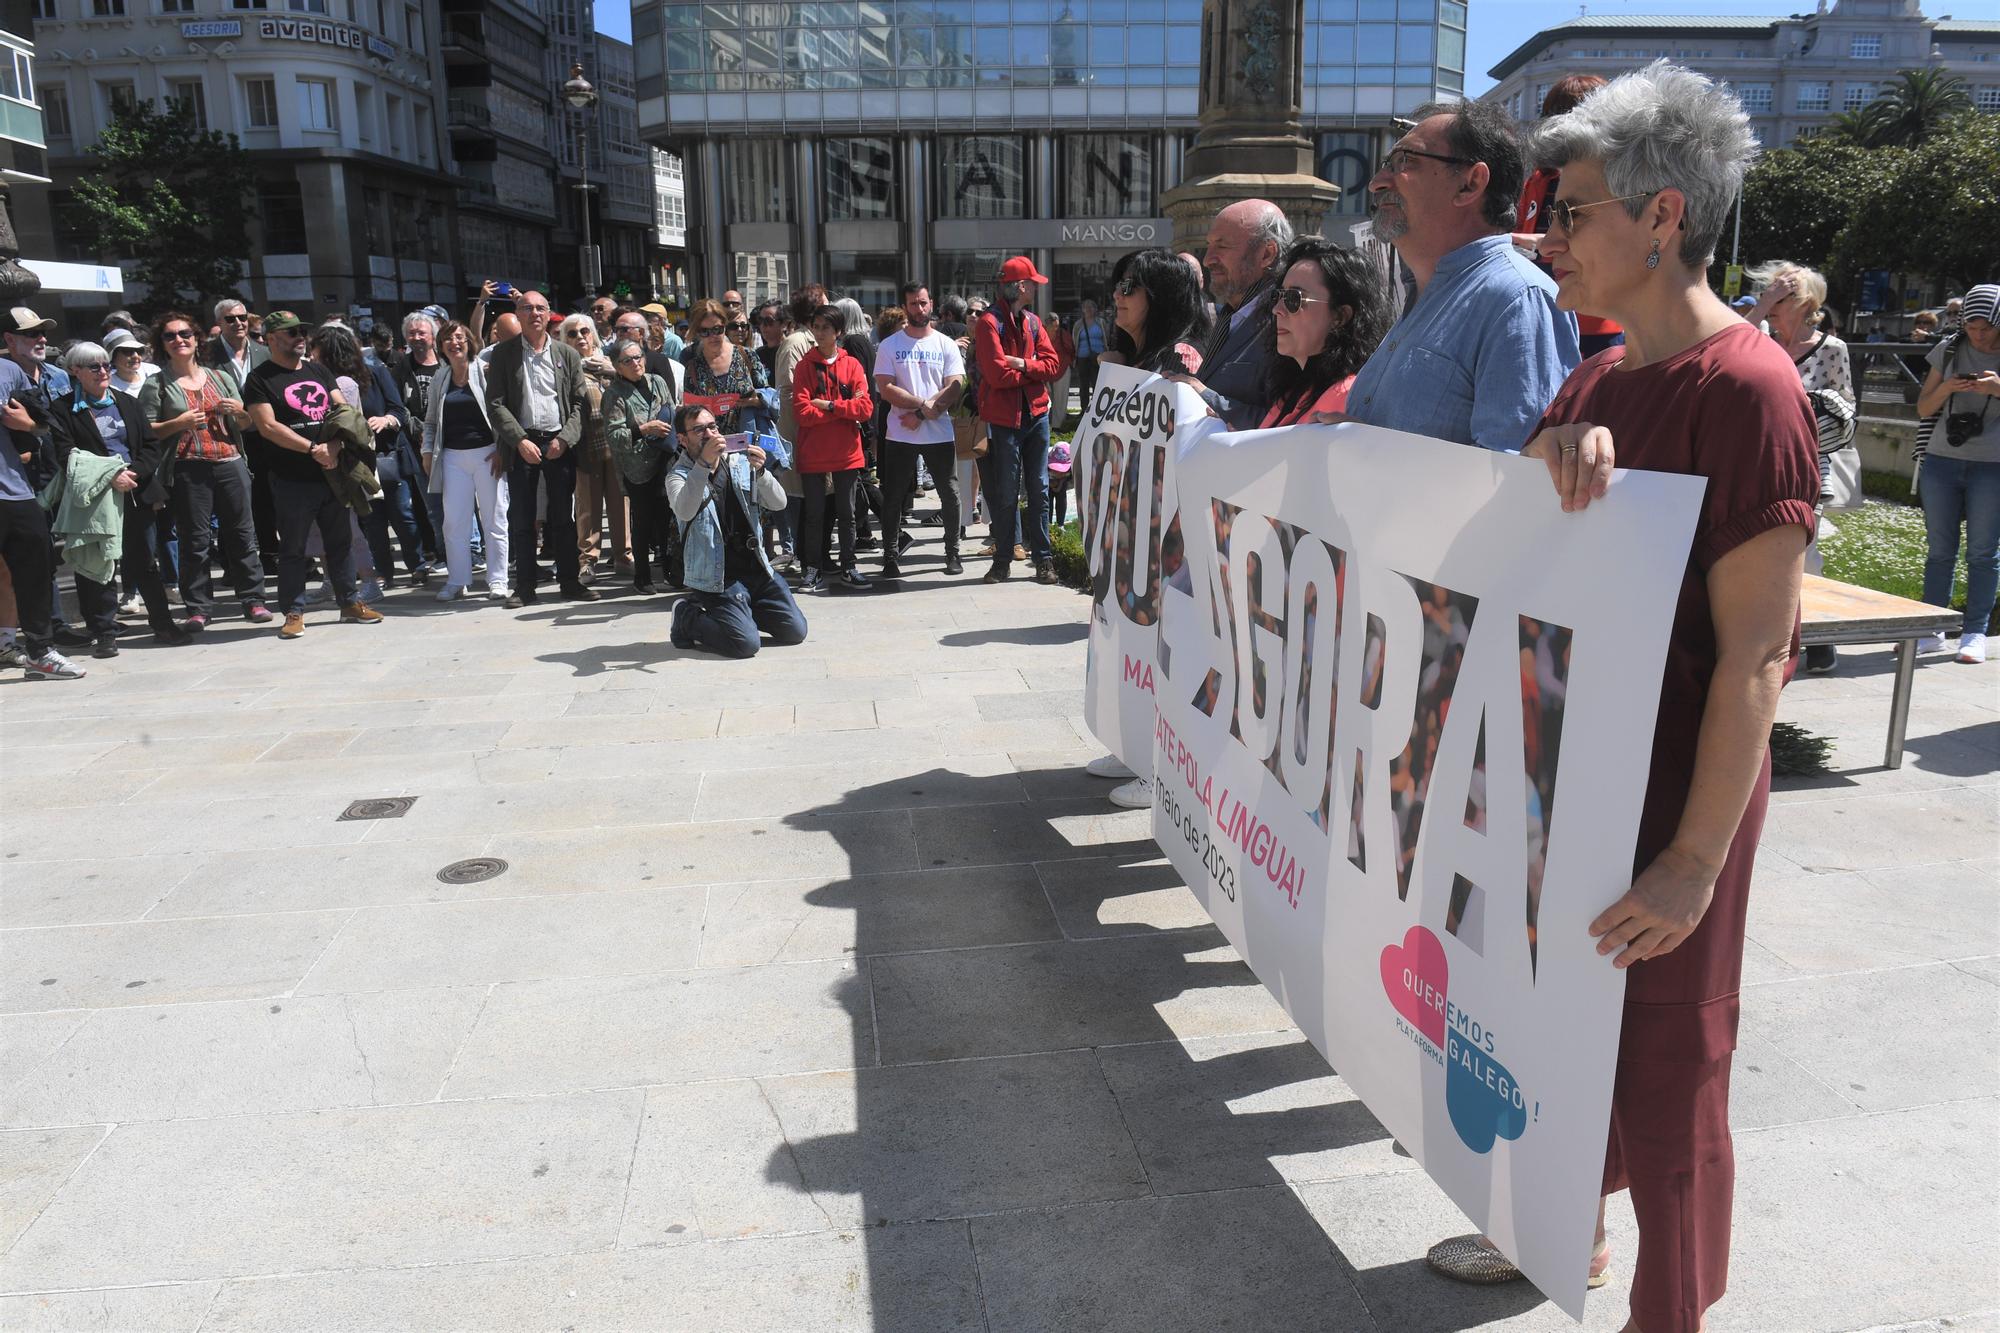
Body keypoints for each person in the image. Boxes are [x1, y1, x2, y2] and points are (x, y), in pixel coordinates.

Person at [1421, 66, 1820, 1333]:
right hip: (1581, 775)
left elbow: (1756, 656)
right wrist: (1552, 449)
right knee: (1571, 1032)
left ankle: (1672, 1311)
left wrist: (1694, 863)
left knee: (1669, 1065)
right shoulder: (1596, 378)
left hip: (1675, 796)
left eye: (1572, 210)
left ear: (1658, 218)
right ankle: (1564, 1231)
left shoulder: (1747, 389)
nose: (1547, 236)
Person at [1339, 99, 1581, 451]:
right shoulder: (1424, 295)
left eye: (1404, 162)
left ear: (1470, 184)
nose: (1377, 182)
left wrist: (1371, 458)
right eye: (1384, 165)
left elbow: (1513, 485)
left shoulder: (1518, 299)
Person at [241, 311, 382, 637]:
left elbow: (341, 411)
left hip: (331, 473)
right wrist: (311, 448)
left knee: (341, 543)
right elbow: (267, 426)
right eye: (290, 333)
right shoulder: (260, 379)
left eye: (302, 330)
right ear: (271, 339)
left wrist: (332, 445)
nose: (299, 337)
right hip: (291, 479)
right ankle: (294, 611)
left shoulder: (319, 370)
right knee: (293, 548)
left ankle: (349, 603)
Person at [1746, 261, 1853, 674]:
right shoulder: (1758, 339)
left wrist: (1815, 406)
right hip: (1756, 459)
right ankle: (1767, 636)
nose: (1770, 303)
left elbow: (1848, 406)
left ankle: (1815, 638)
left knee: (1804, 556)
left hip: (1807, 465)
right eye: (1767, 295)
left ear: (1805, 302)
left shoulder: (1832, 349)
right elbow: (1726, 338)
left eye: (1780, 296)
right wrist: (1763, 305)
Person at [49, 343, 186, 656]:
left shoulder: (127, 402)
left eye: (104, 365)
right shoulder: (63, 408)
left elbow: (150, 446)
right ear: (75, 372)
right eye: (92, 366)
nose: (102, 371)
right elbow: (66, 453)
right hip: (95, 499)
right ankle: (105, 632)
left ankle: (163, 624)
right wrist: (109, 476)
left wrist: (132, 474)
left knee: (144, 563)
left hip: (135, 492)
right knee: (97, 565)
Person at [140, 310, 271, 631]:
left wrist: (239, 412)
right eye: (170, 336)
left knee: (243, 535)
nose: (178, 340)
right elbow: (146, 430)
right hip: (188, 469)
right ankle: (198, 608)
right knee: (194, 540)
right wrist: (178, 423)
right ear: (163, 345)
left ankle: (253, 600)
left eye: (185, 334)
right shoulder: (157, 383)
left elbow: (246, 423)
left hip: (230, 463)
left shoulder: (220, 378)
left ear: (197, 339)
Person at [664, 403, 808, 657]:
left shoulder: (739, 462)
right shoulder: (678, 476)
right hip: (717, 576)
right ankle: (687, 617)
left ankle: (742, 614)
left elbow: (779, 503)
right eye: (699, 430)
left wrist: (762, 472)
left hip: (757, 567)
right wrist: (703, 465)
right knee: (745, 645)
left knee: (795, 631)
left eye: (712, 426)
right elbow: (685, 510)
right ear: (682, 439)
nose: (709, 434)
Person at [486, 288, 597, 606]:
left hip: (559, 443)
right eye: (527, 308)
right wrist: (518, 440)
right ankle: (525, 588)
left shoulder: (567, 354)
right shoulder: (503, 354)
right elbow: (495, 404)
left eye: (540, 308)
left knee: (563, 518)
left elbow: (579, 403)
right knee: (522, 519)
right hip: (522, 442)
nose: (534, 313)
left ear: (549, 315)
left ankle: (570, 583)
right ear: (517, 315)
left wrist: (565, 438)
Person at [1912, 282, 2000, 664]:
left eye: (1986, 327)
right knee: (1939, 550)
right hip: (1941, 460)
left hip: (1993, 465)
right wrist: (1948, 386)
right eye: (1971, 326)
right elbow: (1923, 408)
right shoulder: (1948, 349)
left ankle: (1975, 632)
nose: (1977, 335)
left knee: (1983, 552)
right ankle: (1932, 629)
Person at [1512, 76, 1625, 361]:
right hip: (1540, 311)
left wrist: (1528, 242)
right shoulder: (1537, 180)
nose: (1556, 124)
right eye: (1551, 115)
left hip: (1593, 321)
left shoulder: (1611, 178)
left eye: (1567, 113)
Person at [314, 324, 424, 601]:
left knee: (402, 514)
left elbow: (398, 409)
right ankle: (382, 575)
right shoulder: (319, 382)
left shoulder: (374, 373)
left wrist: (385, 420)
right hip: (352, 462)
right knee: (370, 521)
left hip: (385, 455)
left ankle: (417, 565)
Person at [972, 257, 1063, 585]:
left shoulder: (1034, 322)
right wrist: (1033, 369)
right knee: (1007, 491)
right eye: (1033, 283)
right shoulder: (988, 323)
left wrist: (1023, 365)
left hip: (1036, 415)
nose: (1037, 287)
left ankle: (1043, 559)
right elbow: (996, 375)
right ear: (1021, 286)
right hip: (1006, 419)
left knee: (1039, 488)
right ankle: (1003, 560)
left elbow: (1054, 366)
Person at [874, 282, 966, 578]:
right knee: (894, 495)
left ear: (932, 303)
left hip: (938, 432)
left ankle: (952, 552)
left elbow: (955, 386)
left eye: (923, 303)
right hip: (900, 434)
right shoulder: (890, 346)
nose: (919, 309)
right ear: (905, 307)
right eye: (913, 304)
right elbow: (886, 388)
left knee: (949, 493)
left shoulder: (945, 344)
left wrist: (921, 413)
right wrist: (923, 405)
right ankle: (890, 556)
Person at [0, 350, 83, 678]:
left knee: (35, 570)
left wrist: (30, 426)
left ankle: (40, 650)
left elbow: (40, 423)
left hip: (14, 490)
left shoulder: (8, 370)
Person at [1259, 239, 1395, 427]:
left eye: (1294, 298)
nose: (1277, 309)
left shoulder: (1347, 396)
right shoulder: (1296, 389)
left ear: (1339, 316)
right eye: (1278, 296)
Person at [421, 319, 510, 602]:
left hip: (488, 454)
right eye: (448, 339)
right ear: (441, 346)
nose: (454, 343)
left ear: (469, 341)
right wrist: (426, 452)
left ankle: (498, 579)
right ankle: (458, 580)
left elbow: (503, 412)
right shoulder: (440, 378)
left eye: (459, 337)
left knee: (494, 519)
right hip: (452, 457)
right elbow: (431, 421)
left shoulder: (484, 371)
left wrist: (503, 449)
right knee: (454, 522)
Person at [789, 303, 874, 591]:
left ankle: (849, 565)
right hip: (813, 452)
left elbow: (865, 408)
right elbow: (801, 412)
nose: (820, 332)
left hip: (847, 452)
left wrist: (829, 405)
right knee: (814, 514)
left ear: (839, 331)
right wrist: (842, 412)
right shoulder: (804, 366)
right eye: (816, 326)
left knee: (847, 514)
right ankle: (812, 567)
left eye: (827, 327)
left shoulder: (852, 364)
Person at [1187, 199, 1293, 428]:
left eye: (1222, 246)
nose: (1208, 259)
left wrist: (1204, 396)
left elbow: (1290, 426)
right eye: (1209, 245)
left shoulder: (1288, 323)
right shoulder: (1230, 316)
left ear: (1266, 254)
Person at [559, 314, 632, 582]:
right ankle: (588, 560)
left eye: (585, 331)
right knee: (587, 508)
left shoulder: (610, 360)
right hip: (585, 448)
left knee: (620, 504)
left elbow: (634, 384)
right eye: (572, 333)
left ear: (594, 335)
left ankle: (624, 556)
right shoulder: (566, 367)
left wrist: (612, 371)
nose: (580, 337)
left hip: (617, 446)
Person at [603, 337, 677, 594]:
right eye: (628, 360)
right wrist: (645, 429)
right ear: (617, 366)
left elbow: (671, 410)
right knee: (643, 522)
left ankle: (671, 571)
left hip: (665, 460)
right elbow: (614, 436)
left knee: (668, 518)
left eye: (638, 357)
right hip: (637, 467)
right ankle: (642, 577)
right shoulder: (614, 394)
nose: (635, 363)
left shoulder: (657, 382)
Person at [1109, 247, 1211, 379]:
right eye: (1119, 285)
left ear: (1160, 296)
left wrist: (1116, 374)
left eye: (1128, 286)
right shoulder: (1129, 356)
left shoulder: (1182, 356)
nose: (1116, 294)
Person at [681, 297, 769, 437]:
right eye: (705, 331)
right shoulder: (693, 368)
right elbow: (690, 415)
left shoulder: (747, 355)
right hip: (712, 447)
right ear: (697, 332)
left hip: (750, 442)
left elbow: (768, 396)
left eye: (717, 329)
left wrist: (757, 401)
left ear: (724, 326)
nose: (712, 336)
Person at [203, 298, 268, 384]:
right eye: (230, 319)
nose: (238, 323)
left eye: (242, 317)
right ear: (219, 323)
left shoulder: (265, 353)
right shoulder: (205, 353)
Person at [615, 307, 680, 385]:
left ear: (641, 332)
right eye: (616, 329)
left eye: (624, 329)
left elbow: (667, 394)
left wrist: (615, 373)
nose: (619, 333)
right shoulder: (613, 358)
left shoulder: (658, 360)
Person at [1072, 298, 1107, 417]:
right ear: (1083, 310)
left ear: (1095, 309)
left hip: (1098, 357)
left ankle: (1096, 410)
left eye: (1091, 307)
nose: (1089, 309)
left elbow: (1106, 337)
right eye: (1086, 307)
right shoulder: (1078, 324)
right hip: (1082, 357)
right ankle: (1084, 410)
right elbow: (1074, 340)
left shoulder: (1101, 322)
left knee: (1097, 384)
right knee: (1083, 385)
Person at [102, 329, 157, 397]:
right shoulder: (108, 386)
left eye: (139, 350)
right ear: (113, 358)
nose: (136, 356)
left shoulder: (153, 371)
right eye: (128, 351)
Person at [752, 301, 787, 378]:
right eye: (760, 320)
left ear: (784, 324)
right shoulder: (757, 354)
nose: (763, 325)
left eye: (768, 321)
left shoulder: (789, 351)